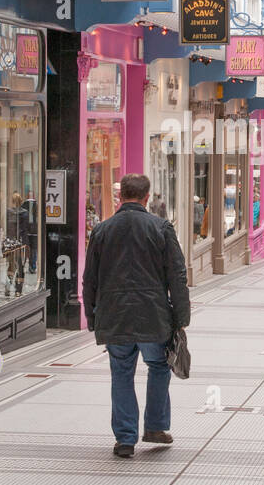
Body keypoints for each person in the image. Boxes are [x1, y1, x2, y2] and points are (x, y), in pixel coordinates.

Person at [82, 173, 191, 459]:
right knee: (157, 366)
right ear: (146, 197)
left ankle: (125, 439)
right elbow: (177, 276)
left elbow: (89, 278)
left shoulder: (102, 230)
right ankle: (155, 426)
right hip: (153, 316)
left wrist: (91, 317)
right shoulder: (161, 228)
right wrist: (181, 317)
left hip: (114, 315)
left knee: (121, 372)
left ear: (120, 197)